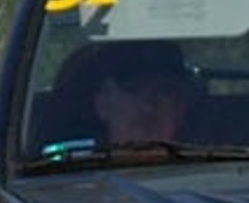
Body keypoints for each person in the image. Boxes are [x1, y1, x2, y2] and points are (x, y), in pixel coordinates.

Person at [35, 39, 193, 151]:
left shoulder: (212, 172)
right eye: (133, 90)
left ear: (180, 109)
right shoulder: (65, 176)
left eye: (163, 93)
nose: (148, 106)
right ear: (103, 105)